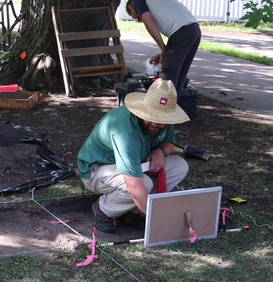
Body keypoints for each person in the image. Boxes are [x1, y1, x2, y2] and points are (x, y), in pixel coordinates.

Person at [78, 78, 190, 233]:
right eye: (152, 116)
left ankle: (132, 209)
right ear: (143, 109)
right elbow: (134, 186)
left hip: (135, 163)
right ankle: (103, 209)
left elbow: (169, 143)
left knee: (179, 166)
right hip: (96, 171)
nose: (156, 123)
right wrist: (159, 223)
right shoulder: (125, 132)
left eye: (161, 119)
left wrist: (161, 151)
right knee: (144, 184)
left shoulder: (165, 119)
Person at [125, 0, 201, 91]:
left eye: (136, 17)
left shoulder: (137, 1)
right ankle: (172, 104)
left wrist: (163, 49)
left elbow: (150, 24)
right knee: (179, 74)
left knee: (168, 73)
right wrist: (162, 52)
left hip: (182, 32)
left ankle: (163, 104)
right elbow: (176, 33)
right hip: (194, 31)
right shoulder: (154, 0)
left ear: (130, 7)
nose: (139, 19)